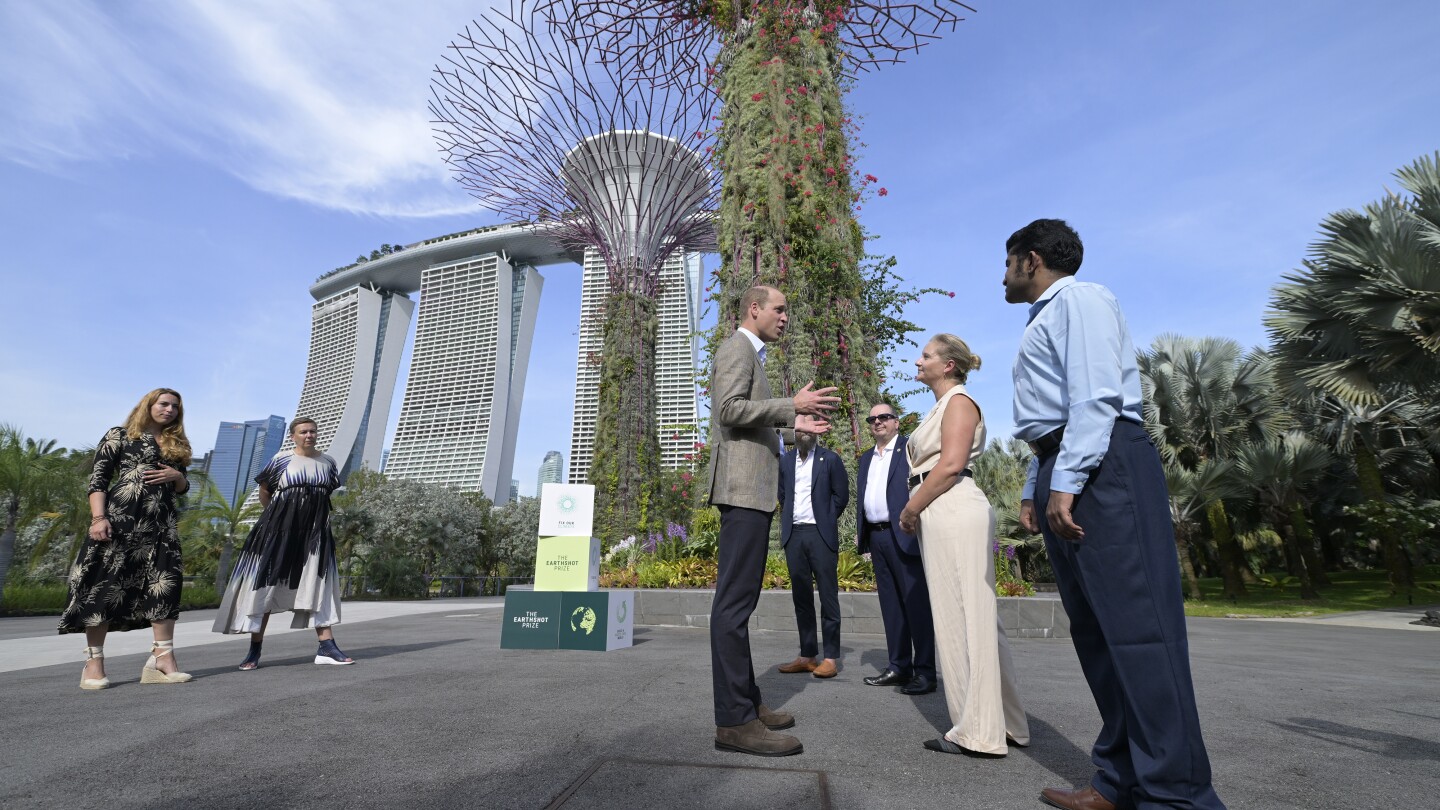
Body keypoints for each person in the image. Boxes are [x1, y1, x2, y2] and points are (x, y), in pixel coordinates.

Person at [1004, 219, 1225, 810]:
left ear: (1031, 260)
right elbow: (1049, 420)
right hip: (1066, 459)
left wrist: (1068, 481)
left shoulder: (1081, 299)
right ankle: (1120, 780)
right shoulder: (1046, 316)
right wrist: (1037, 482)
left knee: (1141, 634)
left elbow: (1097, 396)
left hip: (1104, 465)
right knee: (1099, 636)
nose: (1002, 277)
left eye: (1007, 264)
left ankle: (1177, 797)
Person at [706, 284, 839, 757]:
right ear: (754, 309)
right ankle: (734, 722)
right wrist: (791, 407)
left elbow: (750, 417)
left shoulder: (752, 354)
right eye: (779, 310)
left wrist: (791, 425)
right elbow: (727, 410)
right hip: (742, 492)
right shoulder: (737, 348)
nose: (785, 317)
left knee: (738, 607)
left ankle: (748, 704)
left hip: (752, 495)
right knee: (732, 609)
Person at [898, 334, 1030, 757]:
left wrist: (910, 509)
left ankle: (977, 732)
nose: (918, 361)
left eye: (927, 355)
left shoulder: (959, 402)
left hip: (950, 506)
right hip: (945, 508)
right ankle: (1005, 724)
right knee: (978, 617)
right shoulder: (942, 405)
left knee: (962, 617)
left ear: (949, 365)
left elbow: (951, 465)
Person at [59, 388, 194, 688]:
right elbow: (98, 479)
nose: (169, 410)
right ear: (148, 405)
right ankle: (93, 664)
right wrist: (98, 518)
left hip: (162, 526)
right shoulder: (119, 435)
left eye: (175, 406)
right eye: (164, 404)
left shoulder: (176, 444)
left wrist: (177, 477)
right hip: (120, 520)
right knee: (103, 587)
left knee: (165, 586)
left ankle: (163, 661)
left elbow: (184, 488)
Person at [212, 417, 353, 668]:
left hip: (314, 535)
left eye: (312, 431)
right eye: (303, 432)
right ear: (293, 436)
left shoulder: (328, 462)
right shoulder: (281, 460)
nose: (309, 435)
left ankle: (327, 647)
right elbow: (265, 490)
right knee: (268, 584)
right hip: (277, 531)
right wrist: (277, 520)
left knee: (317, 583)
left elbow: (324, 494)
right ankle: (254, 650)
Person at [855, 402, 937, 696]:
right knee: (891, 606)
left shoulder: (909, 450)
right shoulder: (866, 458)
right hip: (877, 538)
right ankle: (898, 666)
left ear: (896, 422)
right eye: (872, 418)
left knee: (916, 606)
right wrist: (862, 536)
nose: (877, 422)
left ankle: (925, 672)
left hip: (904, 533)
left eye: (884, 417)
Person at [776, 429, 849, 680]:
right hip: (794, 535)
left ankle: (830, 658)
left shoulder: (829, 459)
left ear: (816, 431)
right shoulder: (785, 461)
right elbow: (782, 495)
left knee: (828, 597)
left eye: (809, 425)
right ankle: (807, 656)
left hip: (820, 534)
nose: (805, 431)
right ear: (794, 432)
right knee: (801, 598)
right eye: (800, 426)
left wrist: (826, 520)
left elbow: (841, 496)